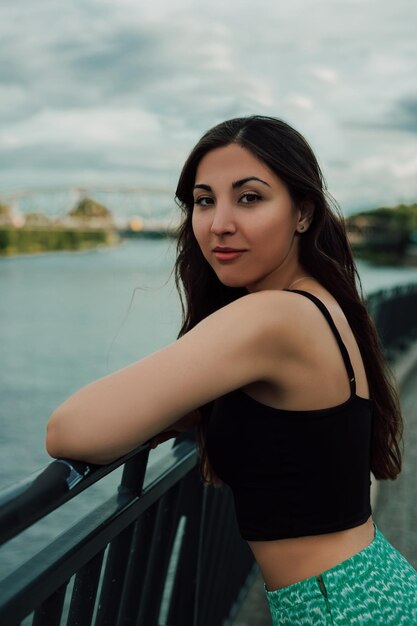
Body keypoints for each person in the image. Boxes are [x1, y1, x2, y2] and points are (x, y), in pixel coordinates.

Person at [46, 115, 417, 624]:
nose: (219, 222)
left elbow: (67, 430)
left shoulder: (272, 316)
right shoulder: (320, 302)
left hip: (337, 608)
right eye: (204, 200)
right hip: (367, 585)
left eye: (249, 198)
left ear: (303, 212)